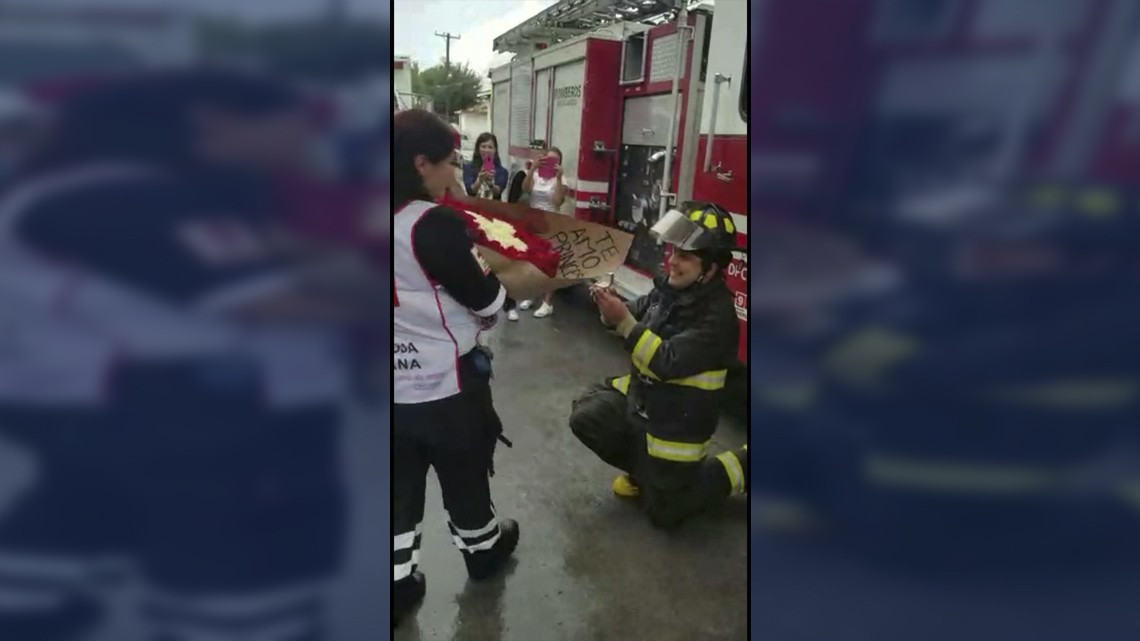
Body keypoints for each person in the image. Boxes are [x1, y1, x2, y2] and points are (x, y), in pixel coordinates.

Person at [0, 70, 386, 641]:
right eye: (301, 125)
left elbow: (293, 262)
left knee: (71, 542)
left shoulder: (144, 189)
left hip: (148, 422)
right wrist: (383, 306)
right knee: (236, 598)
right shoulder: (122, 195)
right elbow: (277, 300)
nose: (310, 141)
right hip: (189, 424)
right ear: (214, 120)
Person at [392, 109, 519, 628]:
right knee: (464, 473)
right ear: (421, 163)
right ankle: (483, 551)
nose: (454, 174)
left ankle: (396, 583)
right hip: (446, 387)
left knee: (397, 489)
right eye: (449, 163)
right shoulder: (431, 223)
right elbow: (489, 302)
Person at [569, 202, 749, 530]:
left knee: (665, 514)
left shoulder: (718, 317)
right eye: (673, 251)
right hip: (648, 408)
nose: (673, 261)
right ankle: (646, 474)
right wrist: (608, 305)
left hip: (678, 431)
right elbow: (635, 312)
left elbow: (666, 360)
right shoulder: (668, 290)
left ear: (710, 268)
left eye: (685, 256)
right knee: (588, 416)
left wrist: (622, 322)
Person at [516, 147, 567, 319]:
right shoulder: (536, 175)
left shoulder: (561, 179)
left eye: (555, 161)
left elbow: (558, 201)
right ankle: (531, 295)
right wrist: (533, 169)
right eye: (548, 159)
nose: (551, 164)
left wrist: (559, 178)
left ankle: (548, 303)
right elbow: (526, 189)